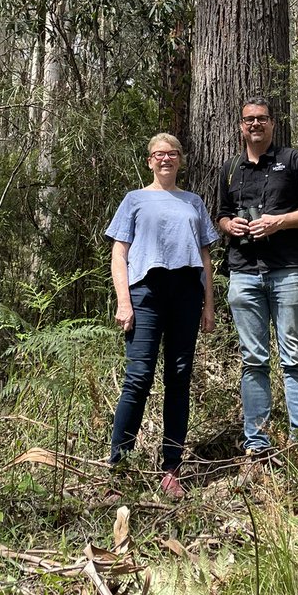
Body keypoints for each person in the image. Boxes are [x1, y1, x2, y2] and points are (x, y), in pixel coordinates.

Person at [106, 133, 217, 497]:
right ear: (150, 161)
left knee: (179, 378)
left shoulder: (193, 202)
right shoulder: (134, 200)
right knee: (138, 378)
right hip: (146, 292)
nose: (166, 160)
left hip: (186, 292)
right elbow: (119, 253)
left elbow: (204, 258)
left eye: (172, 154)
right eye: (159, 155)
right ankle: (118, 466)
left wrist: (209, 305)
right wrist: (124, 301)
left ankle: (171, 468)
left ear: (180, 160)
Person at [217, 96, 298, 454]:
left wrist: (278, 222)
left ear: (272, 124)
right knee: (253, 360)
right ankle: (257, 444)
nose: (255, 125)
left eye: (262, 119)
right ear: (240, 126)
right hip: (244, 273)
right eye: (249, 119)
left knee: (294, 356)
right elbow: (221, 214)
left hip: (288, 271)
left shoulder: (292, 160)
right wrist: (230, 225)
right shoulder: (230, 168)